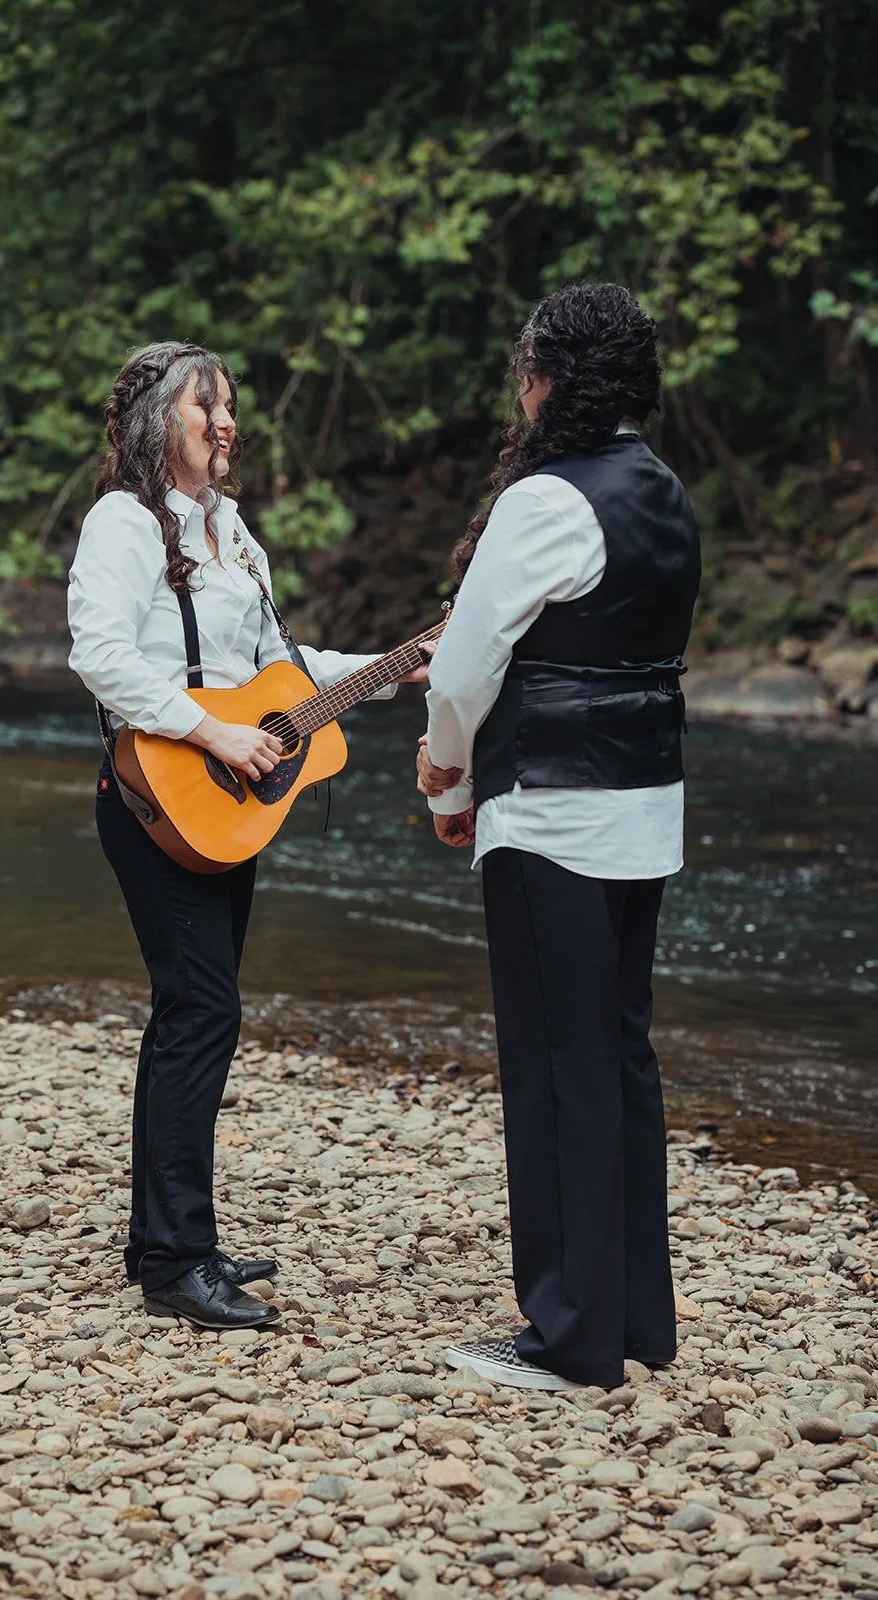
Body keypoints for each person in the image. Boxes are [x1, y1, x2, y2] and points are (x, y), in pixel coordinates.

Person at [69, 340, 429, 1331]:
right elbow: (98, 653)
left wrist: (403, 662)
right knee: (200, 1014)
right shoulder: (122, 524)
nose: (227, 423)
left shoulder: (232, 532)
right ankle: (177, 1261)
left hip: (227, 800)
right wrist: (211, 729)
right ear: (157, 423)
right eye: (207, 407)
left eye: (230, 408)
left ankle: (168, 1242)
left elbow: (283, 668)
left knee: (196, 1014)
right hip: (157, 794)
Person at [418, 283, 701, 1391]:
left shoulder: (544, 500)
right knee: (617, 1062)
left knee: (552, 1069)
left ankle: (567, 1337)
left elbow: (460, 671)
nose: (520, 391)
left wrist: (446, 775)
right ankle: (634, 1318)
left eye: (526, 372)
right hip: (642, 808)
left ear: (549, 381)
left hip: (548, 809)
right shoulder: (664, 492)